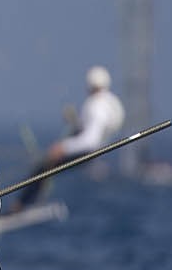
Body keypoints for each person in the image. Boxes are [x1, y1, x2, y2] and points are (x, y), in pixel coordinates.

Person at [17, 65, 125, 206]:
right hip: (95, 151)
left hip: (86, 151)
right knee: (46, 169)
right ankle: (28, 203)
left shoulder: (96, 105)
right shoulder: (111, 102)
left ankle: (20, 205)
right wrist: (75, 121)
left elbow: (90, 140)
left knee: (43, 168)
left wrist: (63, 148)